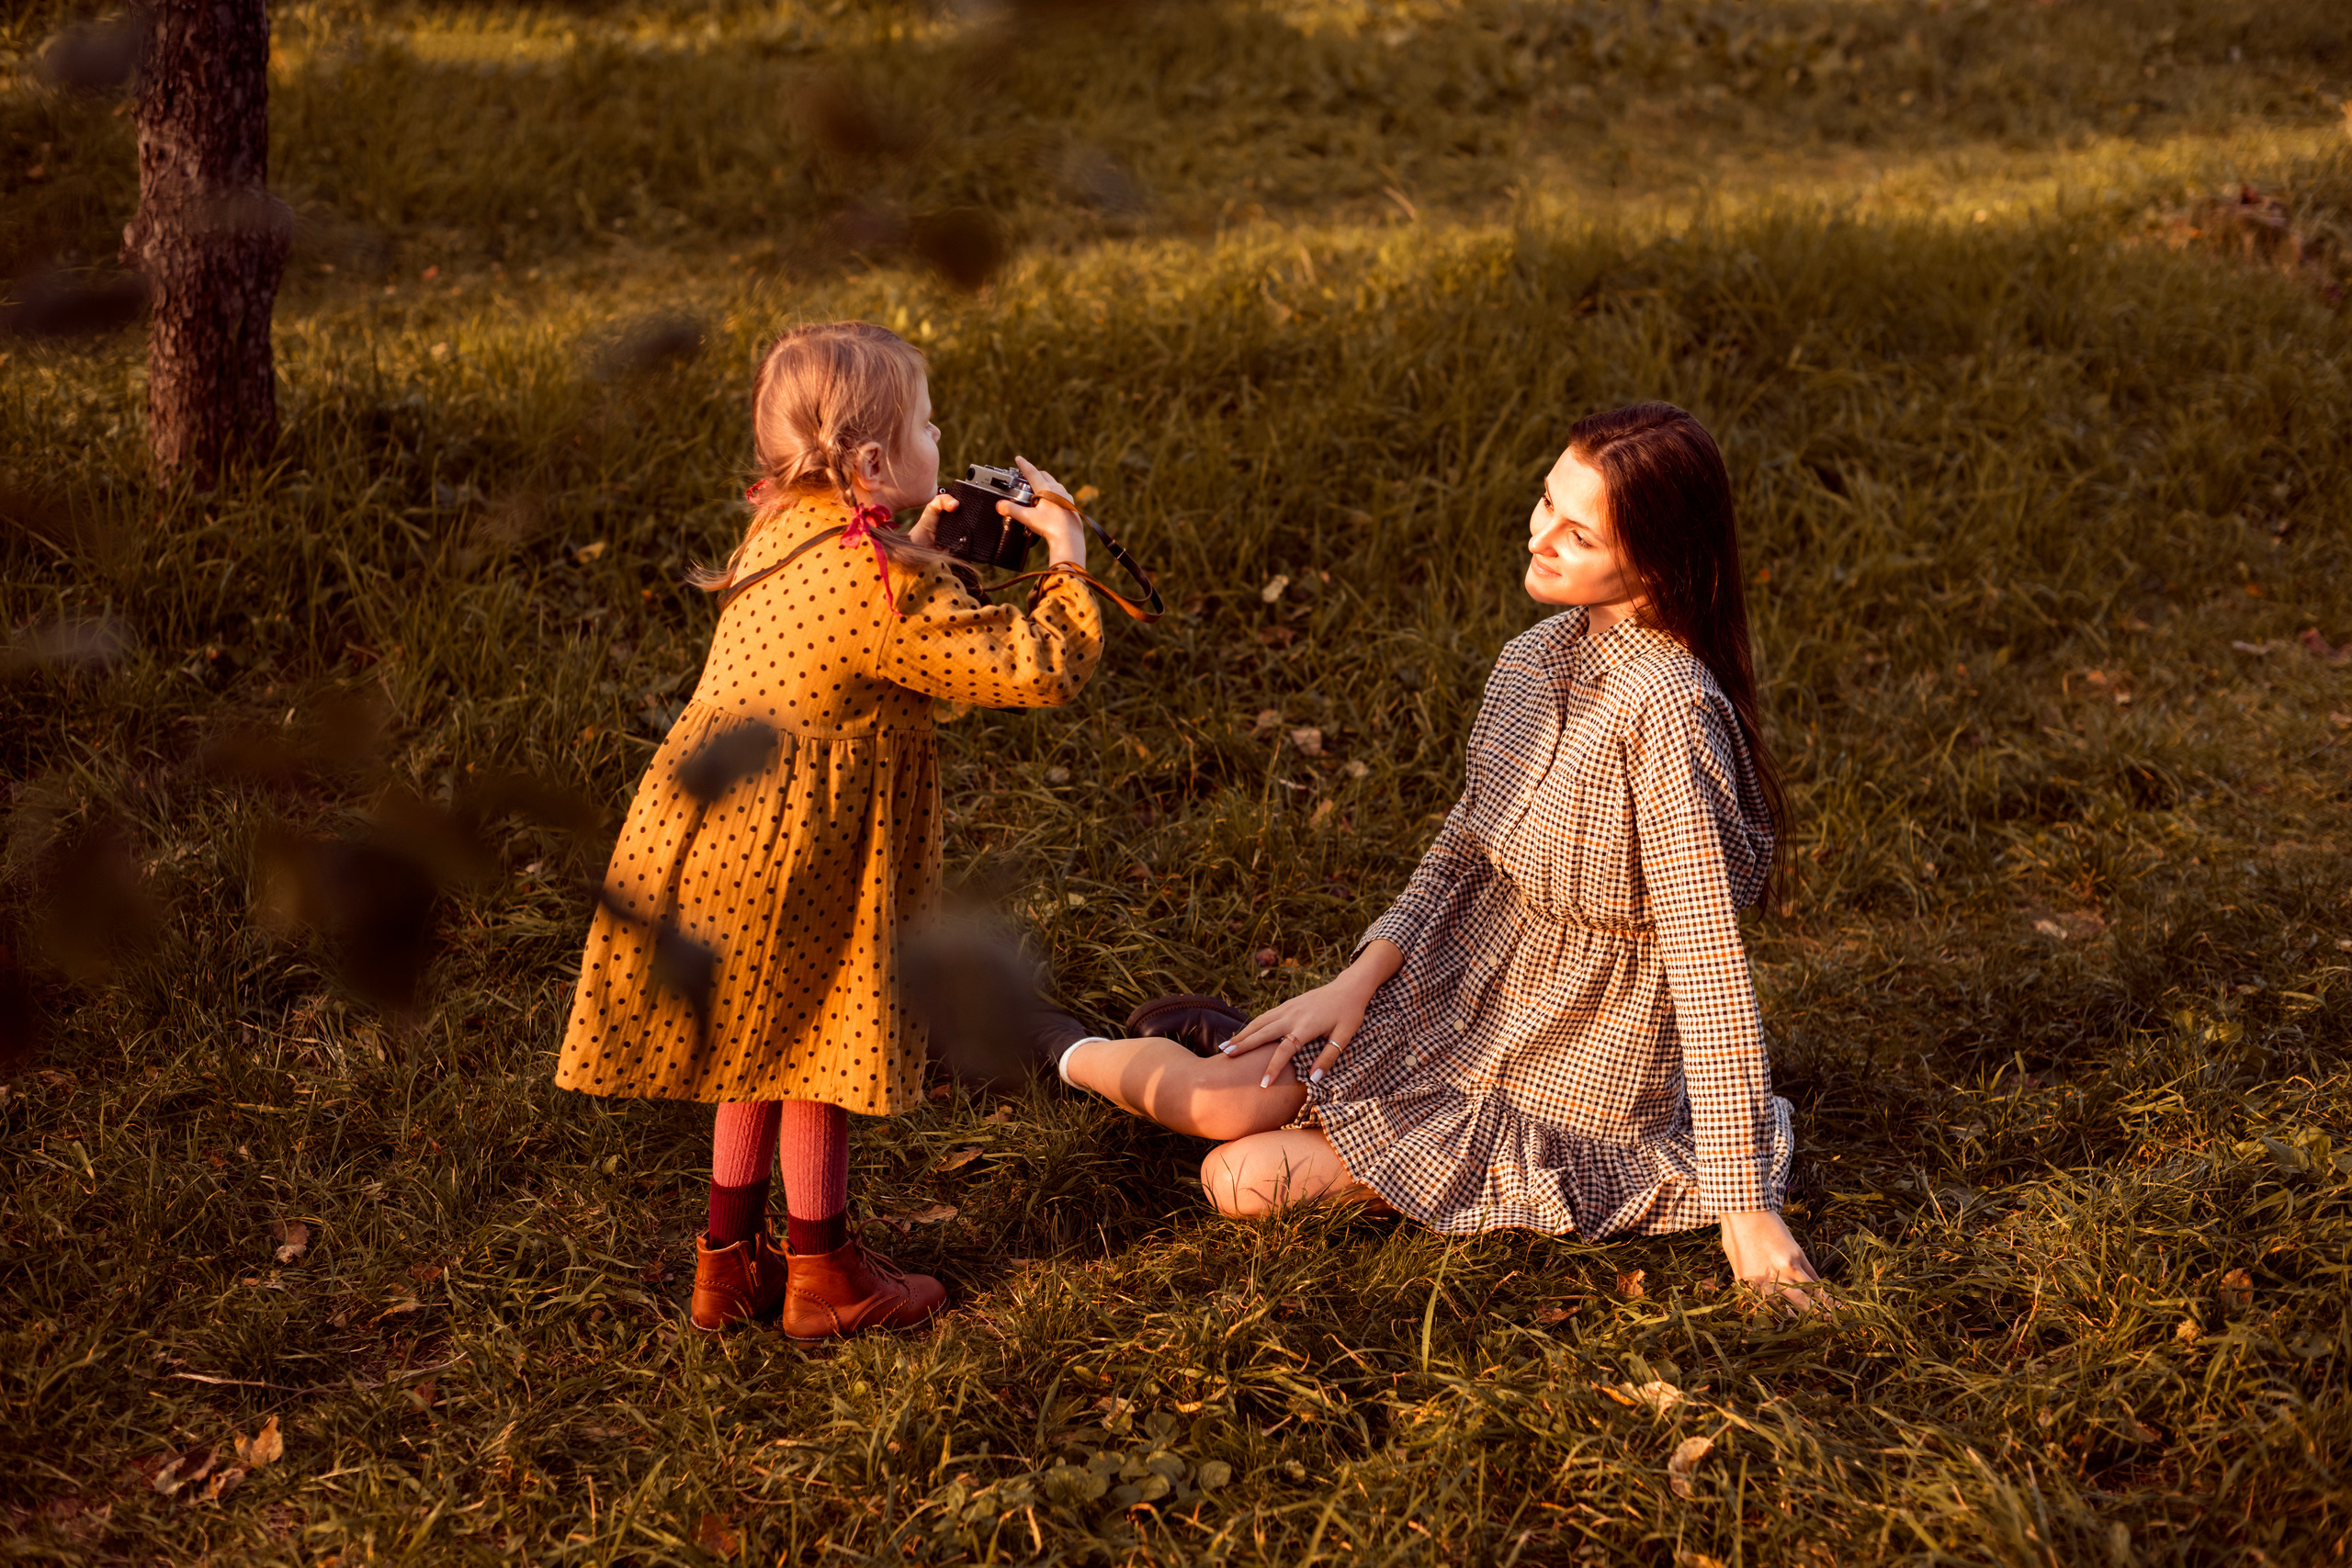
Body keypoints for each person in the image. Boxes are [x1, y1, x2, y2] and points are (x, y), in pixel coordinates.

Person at [1065, 402, 1824, 1306]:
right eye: (1547, 501)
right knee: (1215, 1102)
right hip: (1456, 993)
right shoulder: (1539, 653)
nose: (1539, 536)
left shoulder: (1668, 712)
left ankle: (1303, 1090)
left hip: (1577, 1062)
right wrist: (1358, 979)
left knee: (1238, 1180)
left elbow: (1706, 964)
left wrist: (1744, 1206)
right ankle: (1053, 1044)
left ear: (1656, 558)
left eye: (1576, 534)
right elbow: (1468, 838)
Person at [553, 321, 1106, 1337]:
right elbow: (1035, 665)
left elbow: (862, 628)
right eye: (926, 424)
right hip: (796, 853)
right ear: (871, 461)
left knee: (753, 1051)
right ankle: (825, 1277)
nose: (941, 438)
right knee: (814, 1046)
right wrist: (1063, 555)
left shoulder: (785, 529)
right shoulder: (885, 586)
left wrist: (926, 553)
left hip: (704, 831)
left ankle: (726, 1266)